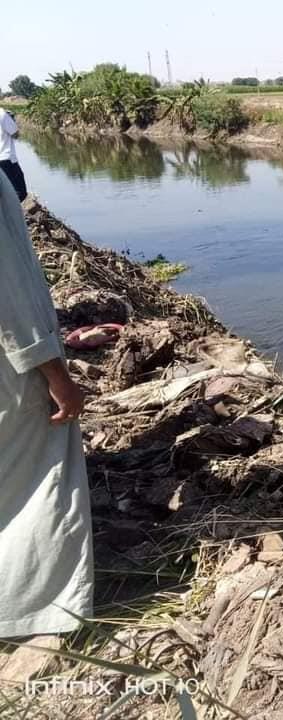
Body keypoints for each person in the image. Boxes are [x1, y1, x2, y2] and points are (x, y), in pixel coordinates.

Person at [0, 170, 93, 644]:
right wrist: (55, 374)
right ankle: (41, 608)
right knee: (38, 480)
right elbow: (9, 296)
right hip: (11, 373)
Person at [0, 107, 28, 201]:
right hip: (6, 159)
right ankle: (11, 214)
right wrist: (12, 121)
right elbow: (15, 134)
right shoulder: (2, 114)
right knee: (20, 192)